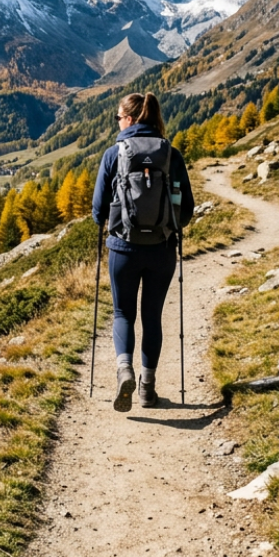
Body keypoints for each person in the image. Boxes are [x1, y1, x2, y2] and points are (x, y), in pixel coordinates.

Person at [91, 93, 195, 411]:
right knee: (152, 317)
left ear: (130, 119)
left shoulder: (114, 154)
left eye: (119, 117)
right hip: (161, 251)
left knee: (123, 313)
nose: (118, 122)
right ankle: (147, 390)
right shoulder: (171, 155)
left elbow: (98, 211)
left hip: (123, 249)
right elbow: (186, 210)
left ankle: (125, 370)